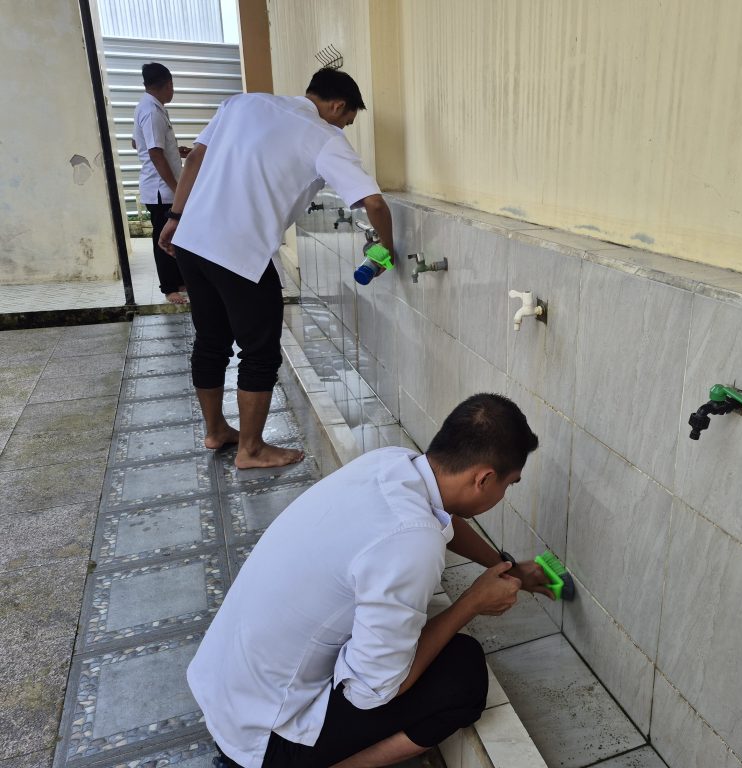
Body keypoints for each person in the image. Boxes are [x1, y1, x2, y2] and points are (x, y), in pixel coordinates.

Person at [188, 393, 554, 768]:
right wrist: (472, 603)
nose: (504, 494)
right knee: (464, 673)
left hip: (226, 693)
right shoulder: (413, 544)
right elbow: (374, 691)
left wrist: (503, 566)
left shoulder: (392, 464)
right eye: (509, 485)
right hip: (263, 741)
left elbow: (440, 515)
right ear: (484, 478)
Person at [158, 68, 397, 469]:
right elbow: (373, 202)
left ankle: (216, 430)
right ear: (337, 106)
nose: (344, 126)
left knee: (211, 339)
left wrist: (175, 216)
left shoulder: (243, 103)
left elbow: (197, 157)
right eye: (347, 119)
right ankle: (250, 450)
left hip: (192, 238)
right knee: (260, 351)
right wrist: (386, 246)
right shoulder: (325, 137)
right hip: (238, 252)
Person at [132, 62, 190, 305]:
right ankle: (169, 288)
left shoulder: (147, 106)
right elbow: (154, 153)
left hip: (162, 188)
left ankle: (177, 281)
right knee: (164, 238)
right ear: (168, 84)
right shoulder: (152, 111)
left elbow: (138, 144)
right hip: (161, 191)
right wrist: (177, 189)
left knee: (175, 236)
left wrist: (175, 151)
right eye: (172, 85)